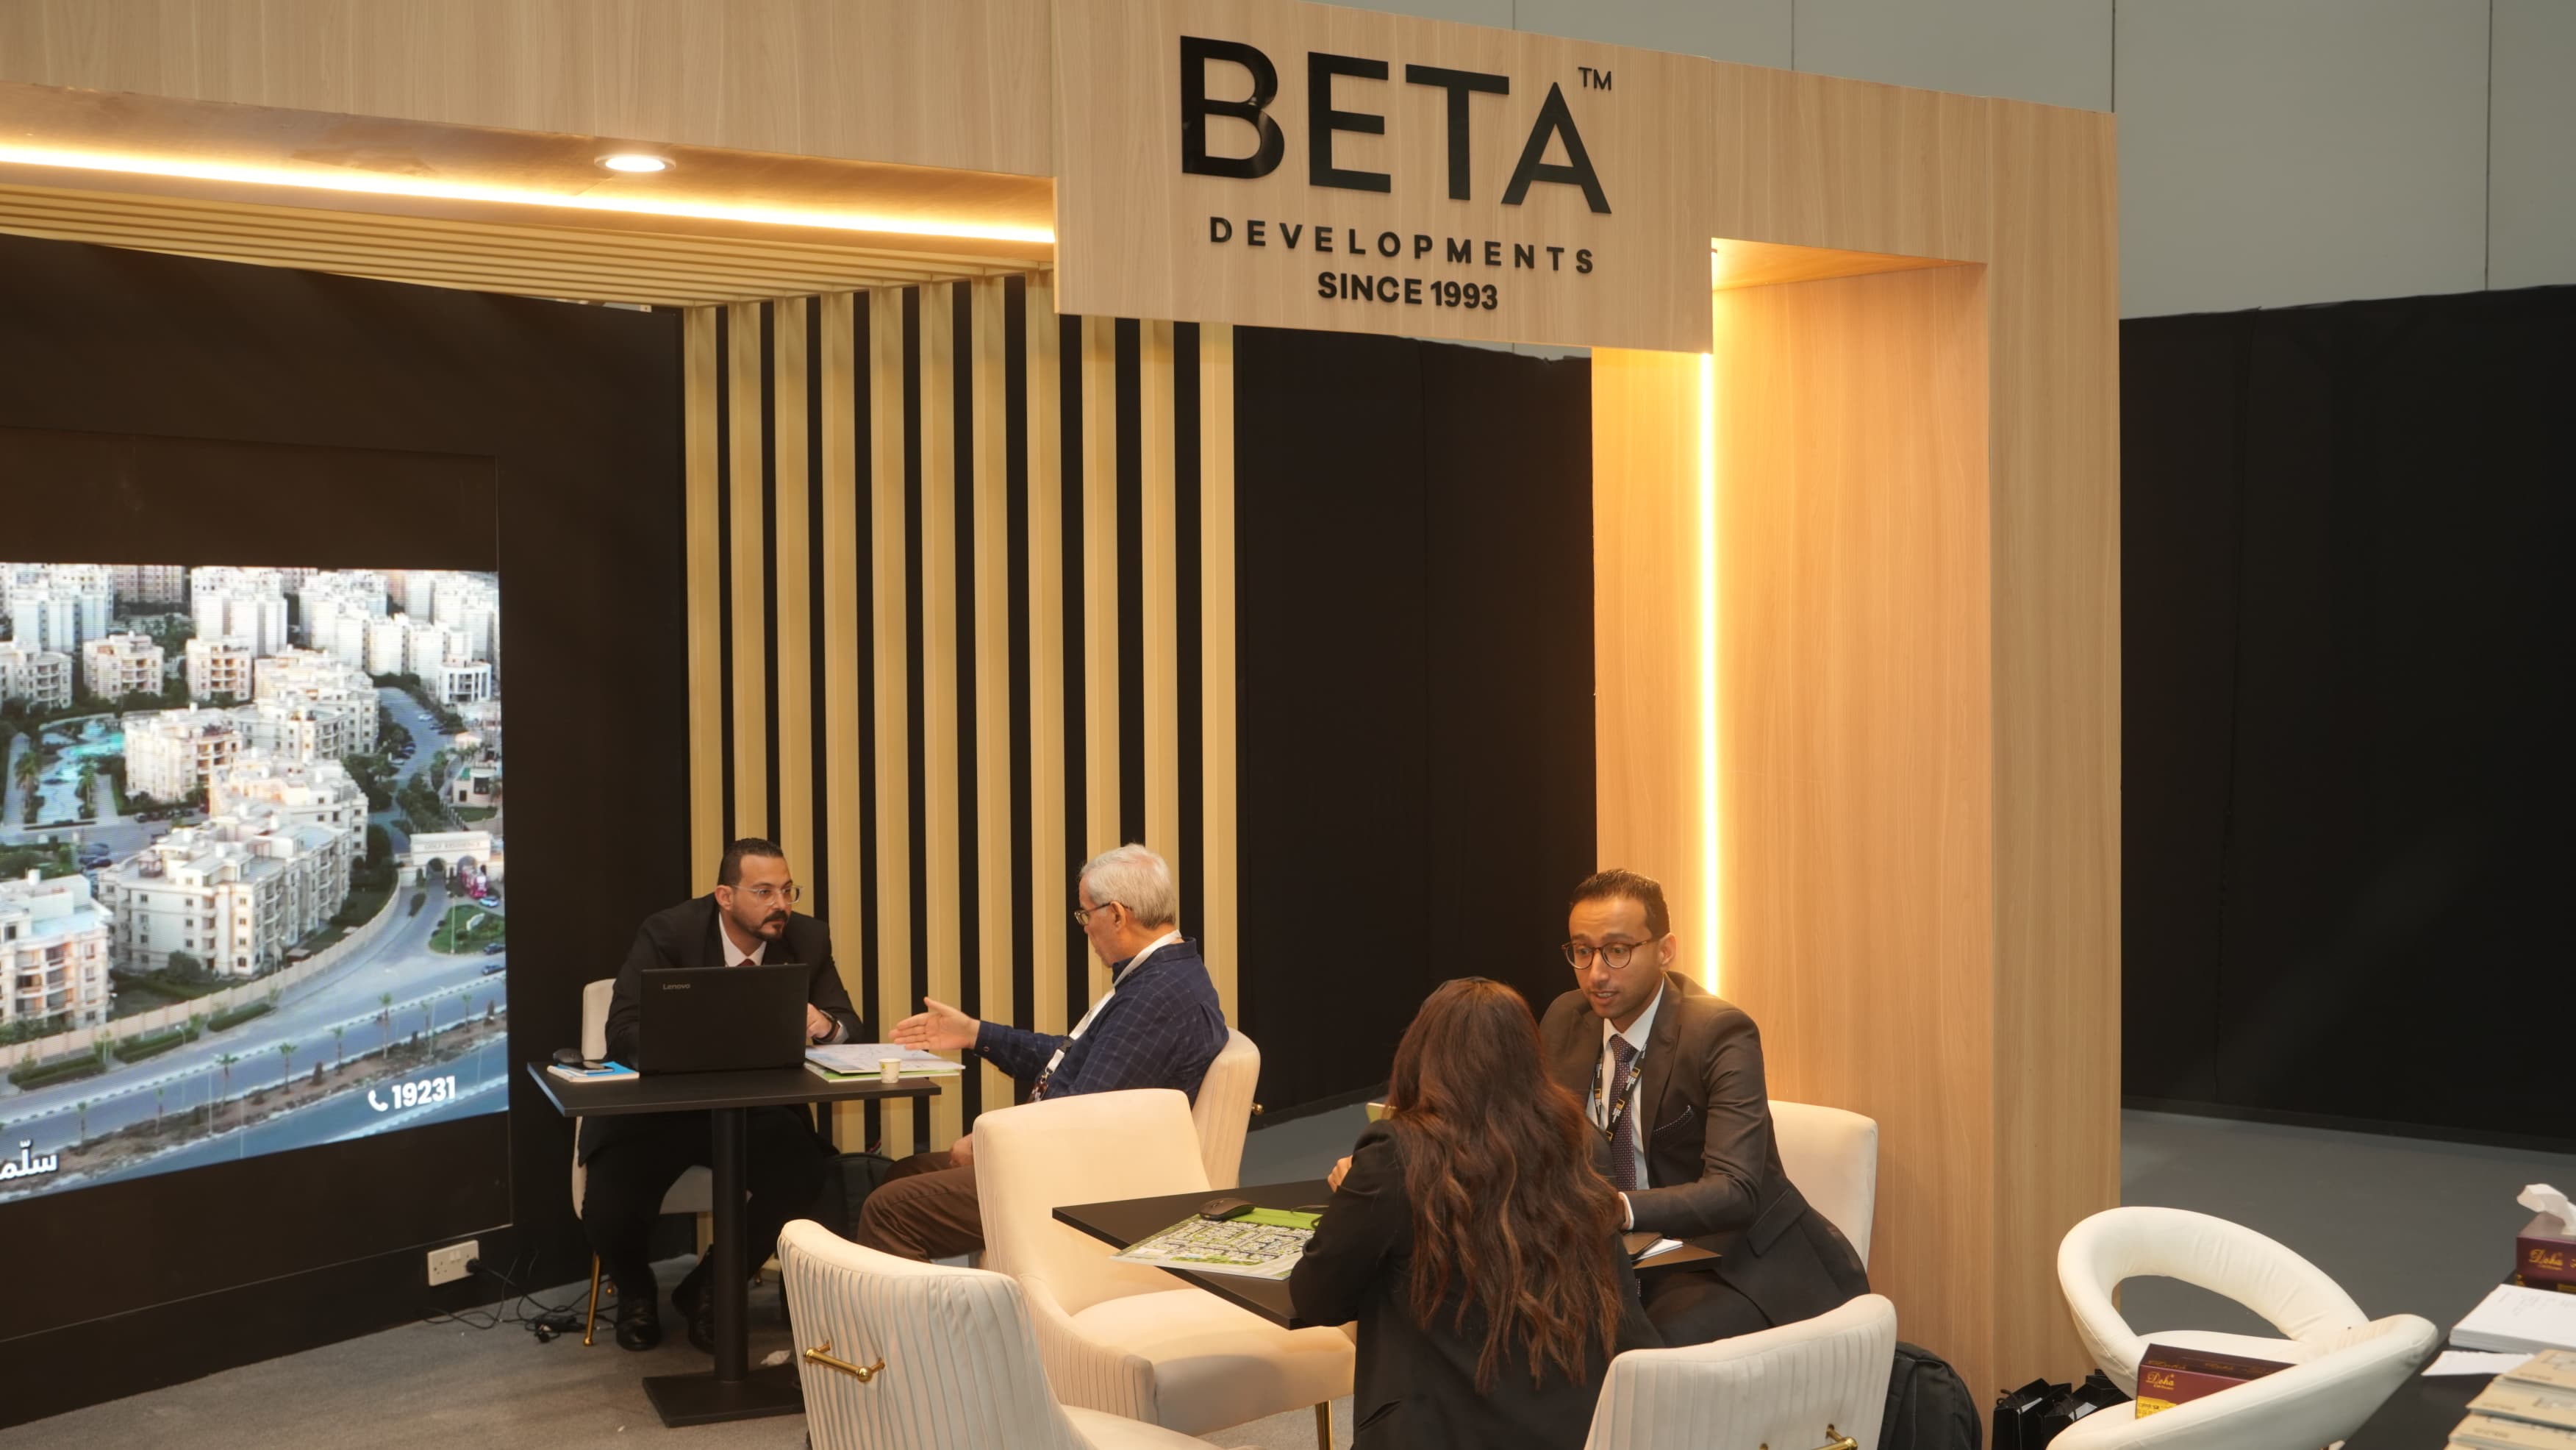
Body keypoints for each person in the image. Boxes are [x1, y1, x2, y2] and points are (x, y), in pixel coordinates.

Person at [1292, 977, 1658, 1450]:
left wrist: (1355, 1197)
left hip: (1439, 1433)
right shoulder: (1580, 1141)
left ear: (1421, 1053)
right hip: (1575, 1430)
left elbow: (1316, 1299)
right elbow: (1618, 1304)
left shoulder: (1397, 1155)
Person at [1536, 868, 1869, 1346]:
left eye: (1617, 950)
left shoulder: (1719, 1032)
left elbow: (1735, 1190)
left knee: (1637, 1347)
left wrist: (1620, 1208)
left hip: (1728, 1258)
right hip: (1617, 1254)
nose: (1597, 973)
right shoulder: (1567, 1018)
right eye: (1582, 951)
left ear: (1665, 950)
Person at [858, 843, 1228, 1260]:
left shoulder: (1154, 997)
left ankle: (951, 1308)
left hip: (1078, 1182)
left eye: (1086, 914)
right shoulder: (1164, 974)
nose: (1085, 928)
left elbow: (1078, 1116)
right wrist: (975, 1034)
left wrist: (987, 1144)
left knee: (888, 1211)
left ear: (1117, 915)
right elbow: (1076, 1058)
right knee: (902, 1174)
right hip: (1073, 1159)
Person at [579, 838, 865, 1352]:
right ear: (725, 897)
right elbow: (622, 1030)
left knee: (806, 1172)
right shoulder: (669, 933)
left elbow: (849, 1025)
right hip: (660, 1111)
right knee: (609, 1199)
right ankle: (637, 1293)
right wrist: (695, 1044)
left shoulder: (807, 938)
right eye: (764, 892)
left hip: (754, 1110)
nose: (781, 905)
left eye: (787, 890)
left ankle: (711, 1286)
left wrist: (825, 1025)